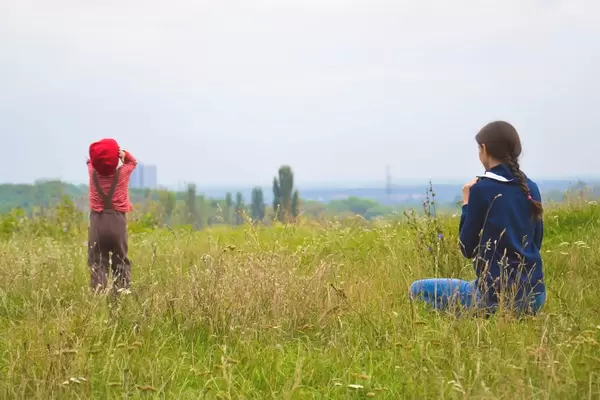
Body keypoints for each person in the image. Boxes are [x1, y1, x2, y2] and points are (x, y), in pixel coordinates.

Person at [409, 121, 546, 315]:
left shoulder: (482, 189)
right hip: (536, 295)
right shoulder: (531, 187)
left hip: (495, 296)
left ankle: (472, 322)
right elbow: (536, 241)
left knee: (418, 290)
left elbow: (466, 248)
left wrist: (466, 202)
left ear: (484, 149)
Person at [87, 138, 137, 293]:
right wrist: (123, 154)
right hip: (117, 221)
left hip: (97, 221)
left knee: (97, 262)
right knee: (120, 260)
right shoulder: (122, 173)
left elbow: (90, 161)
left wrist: (101, 155)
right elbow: (132, 163)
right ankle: (120, 295)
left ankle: (98, 295)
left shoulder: (92, 172)